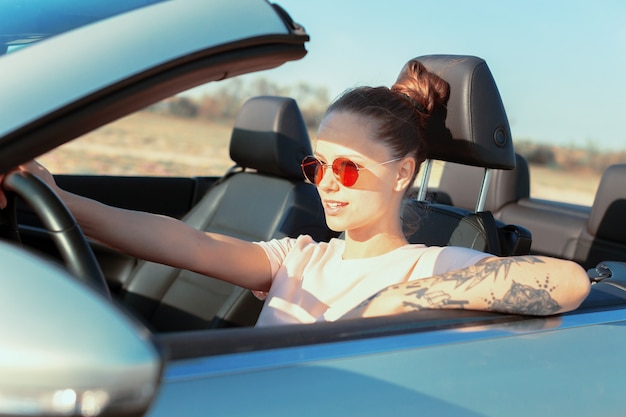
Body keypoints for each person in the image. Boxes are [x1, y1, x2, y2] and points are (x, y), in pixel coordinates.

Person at [0, 60, 590, 326]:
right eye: (317, 167)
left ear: (404, 173)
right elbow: (180, 241)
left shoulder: (433, 263)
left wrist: (388, 305)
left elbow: (569, 282)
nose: (328, 185)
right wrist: (59, 198)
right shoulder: (299, 257)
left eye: (350, 170)